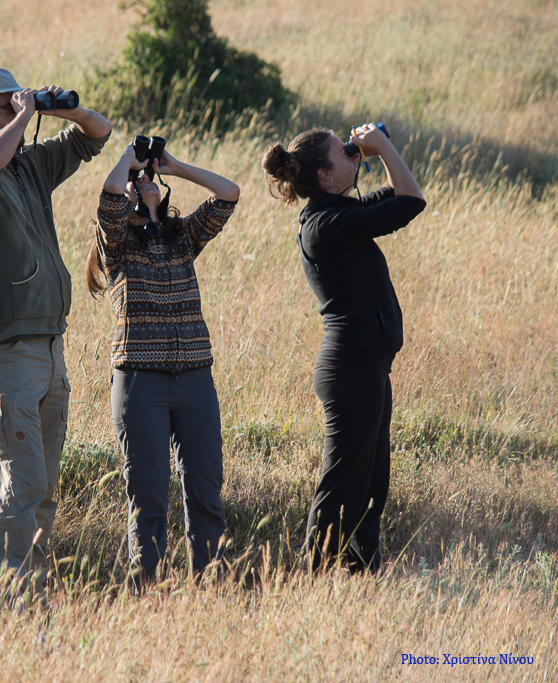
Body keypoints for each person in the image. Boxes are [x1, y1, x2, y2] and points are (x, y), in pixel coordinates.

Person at [0, 67, 112, 606]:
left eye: (14, 102)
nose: (13, 110)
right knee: (19, 485)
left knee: (42, 488)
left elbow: (98, 134)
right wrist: (24, 116)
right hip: (7, 348)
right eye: (1, 106)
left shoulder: (30, 165)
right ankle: (8, 597)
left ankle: (27, 593)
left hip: (51, 345)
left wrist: (57, 108)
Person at [261, 123, 426, 572]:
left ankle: (361, 574)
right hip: (351, 370)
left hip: (366, 368)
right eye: (343, 153)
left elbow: (398, 195)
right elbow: (412, 202)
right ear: (323, 176)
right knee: (341, 488)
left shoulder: (336, 214)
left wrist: (372, 151)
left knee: (371, 485)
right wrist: (384, 146)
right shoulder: (327, 226)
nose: (352, 155)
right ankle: (314, 580)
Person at [86, 140, 239, 590]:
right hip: (140, 383)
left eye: (150, 179)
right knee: (149, 496)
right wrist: (129, 165)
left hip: (195, 379)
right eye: (136, 182)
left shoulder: (183, 237)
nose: (143, 182)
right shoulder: (117, 245)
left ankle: (212, 588)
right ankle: (147, 592)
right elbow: (110, 198)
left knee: (206, 491)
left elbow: (228, 194)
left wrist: (175, 166)